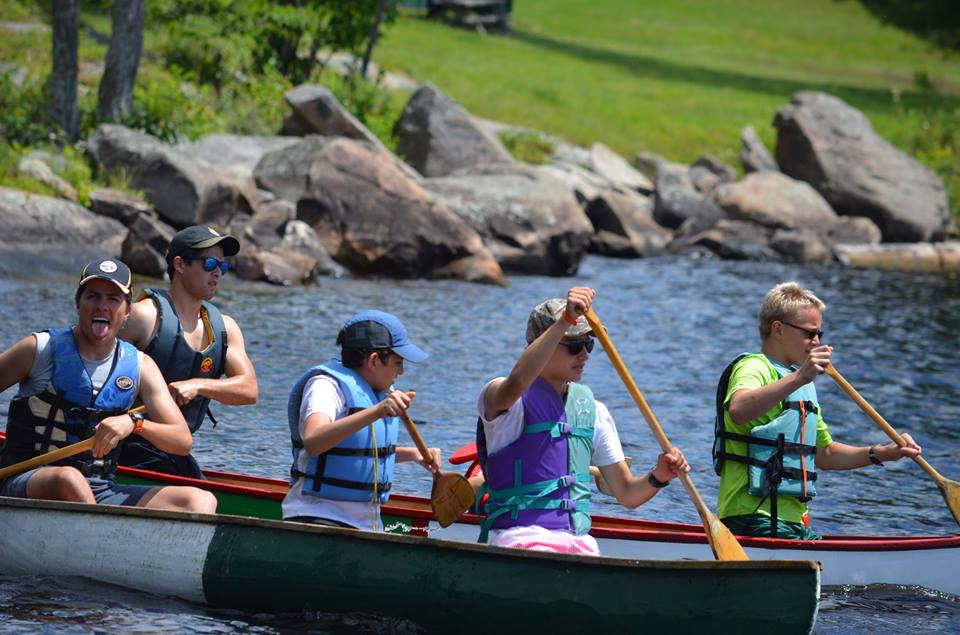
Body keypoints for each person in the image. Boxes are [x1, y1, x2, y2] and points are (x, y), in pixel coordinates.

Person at [476, 287, 689, 555]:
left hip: (577, 543)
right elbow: (518, 379)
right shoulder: (502, 398)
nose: (585, 355)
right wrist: (564, 320)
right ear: (540, 344)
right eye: (575, 345)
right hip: (516, 539)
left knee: (589, 549)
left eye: (588, 344)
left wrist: (659, 476)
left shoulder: (594, 411)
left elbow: (626, 493)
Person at [0, 257, 217, 513]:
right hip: (25, 480)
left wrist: (135, 425)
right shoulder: (39, 349)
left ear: (127, 312)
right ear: (77, 304)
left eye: (113, 299)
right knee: (68, 478)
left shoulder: (140, 366)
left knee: (200, 501)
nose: (102, 306)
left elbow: (181, 441)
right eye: (92, 296)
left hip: (99, 489)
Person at [713, 281, 922, 540]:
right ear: (777, 329)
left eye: (819, 335)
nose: (816, 342)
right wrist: (801, 376)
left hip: (793, 520)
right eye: (809, 334)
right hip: (751, 517)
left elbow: (825, 453)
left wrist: (883, 453)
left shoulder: (802, 384)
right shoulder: (754, 367)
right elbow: (739, 409)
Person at [119, 225, 258, 478]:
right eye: (209, 265)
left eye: (222, 268)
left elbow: (249, 390)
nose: (217, 273)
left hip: (174, 447)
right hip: (123, 443)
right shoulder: (143, 317)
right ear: (180, 265)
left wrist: (198, 386)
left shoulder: (225, 328)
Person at [282, 310, 441, 531]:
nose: (402, 371)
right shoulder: (326, 386)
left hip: (366, 526)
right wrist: (377, 411)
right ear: (374, 360)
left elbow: (360, 452)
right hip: (317, 517)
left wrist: (414, 454)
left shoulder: (378, 392)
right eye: (397, 362)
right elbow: (314, 440)